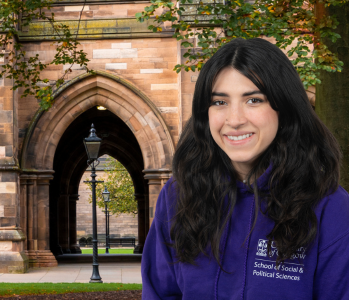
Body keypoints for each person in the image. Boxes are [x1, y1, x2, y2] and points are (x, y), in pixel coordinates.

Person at [141, 38, 349, 299]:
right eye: (220, 102)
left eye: (253, 100)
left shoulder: (330, 208)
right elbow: (160, 293)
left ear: (283, 108)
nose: (235, 120)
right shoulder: (177, 197)